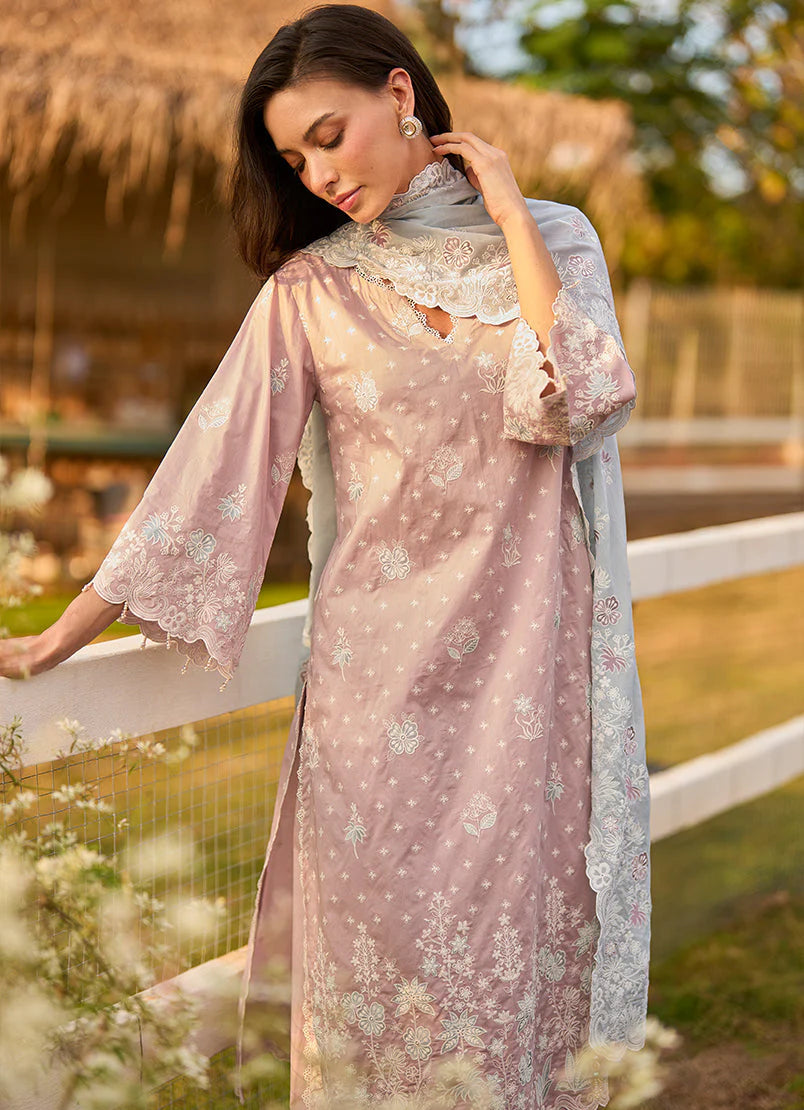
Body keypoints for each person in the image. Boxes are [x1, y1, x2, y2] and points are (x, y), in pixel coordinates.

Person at [0, 5, 651, 1107]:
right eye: (296, 160)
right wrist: (59, 635)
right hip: (376, 697)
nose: (319, 176)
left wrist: (505, 209)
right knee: (373, 998)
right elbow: (210, 472)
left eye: (328, 137)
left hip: (531, 688)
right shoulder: (311, 292)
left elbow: (577, 399)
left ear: (400, 94)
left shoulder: (555, 241)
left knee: (518, 978)